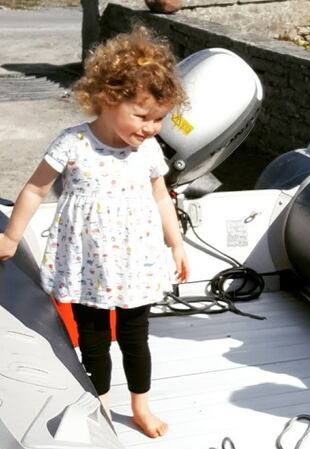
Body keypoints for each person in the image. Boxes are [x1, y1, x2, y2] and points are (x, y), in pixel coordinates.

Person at [0, 26, 189, 438]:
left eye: (159, 118)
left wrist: (175, 243)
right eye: (143, 116)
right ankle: (100, 401)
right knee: (94, 339)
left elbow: (161, 198)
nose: (152, 127)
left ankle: (141, 404)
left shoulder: (149, 151)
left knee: (137, 337)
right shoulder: (72, 144)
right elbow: (34, 189)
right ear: (107, 100)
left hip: (135, 264)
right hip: (87, 266)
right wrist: (11, 237)